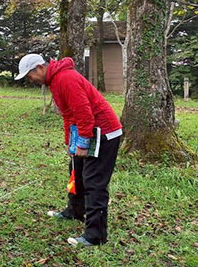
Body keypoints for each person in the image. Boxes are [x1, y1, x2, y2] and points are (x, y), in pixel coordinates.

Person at [16, 53, 122, 247]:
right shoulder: (54, 81)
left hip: (105, 133)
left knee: (94, 182)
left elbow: (84, 113)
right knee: (76, 170)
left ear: (40, 68)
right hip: (89, 131)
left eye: (30, 76)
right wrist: (70, 143)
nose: (30, 80)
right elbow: (68, 114)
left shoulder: (66, 79)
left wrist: (82, 143)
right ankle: (75, 211)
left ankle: (95, 236)